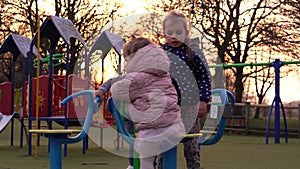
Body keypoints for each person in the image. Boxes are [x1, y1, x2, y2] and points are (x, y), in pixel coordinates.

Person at [95, 37, 186, 169]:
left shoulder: (137, 77)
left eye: (127, 60)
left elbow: (119, 91)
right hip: (175, 126)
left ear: (134, 58)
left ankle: (134, 165)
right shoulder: (164, 75)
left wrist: (110, 90)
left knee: (146, 159)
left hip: (152, 129)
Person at [156, 11, 212, 169]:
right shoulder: (160, 53)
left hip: (189, 107)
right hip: (167, 108)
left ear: (187, 33)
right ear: (164, 33)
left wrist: (202, 100)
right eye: (170, 32)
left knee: (191, 146)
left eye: (179, 32)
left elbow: (204, 78)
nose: (174, 36)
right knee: (164, 145)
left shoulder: (194, 53)